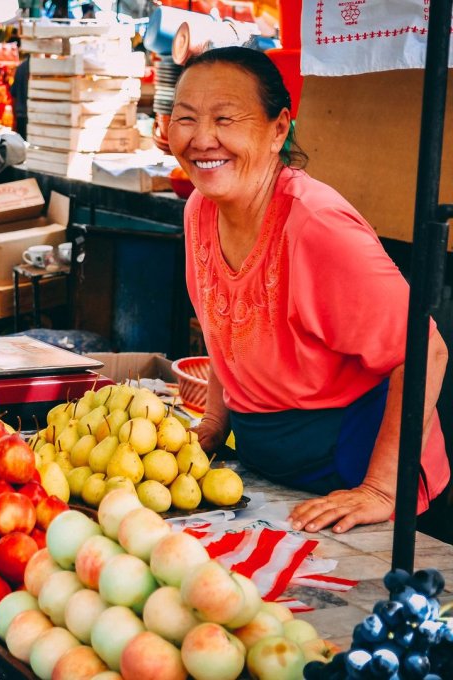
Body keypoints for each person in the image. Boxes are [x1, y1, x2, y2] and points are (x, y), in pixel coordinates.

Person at [167, 46, 451, 536]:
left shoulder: (315, 227)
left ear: (279, 129)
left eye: (225, 119)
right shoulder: (201, 209)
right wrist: (214, 423)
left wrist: (381, 489)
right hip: (269, 471)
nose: (202, 138)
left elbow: (426, 350)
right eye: (185, 118)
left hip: (355, 472)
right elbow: (225, 326)